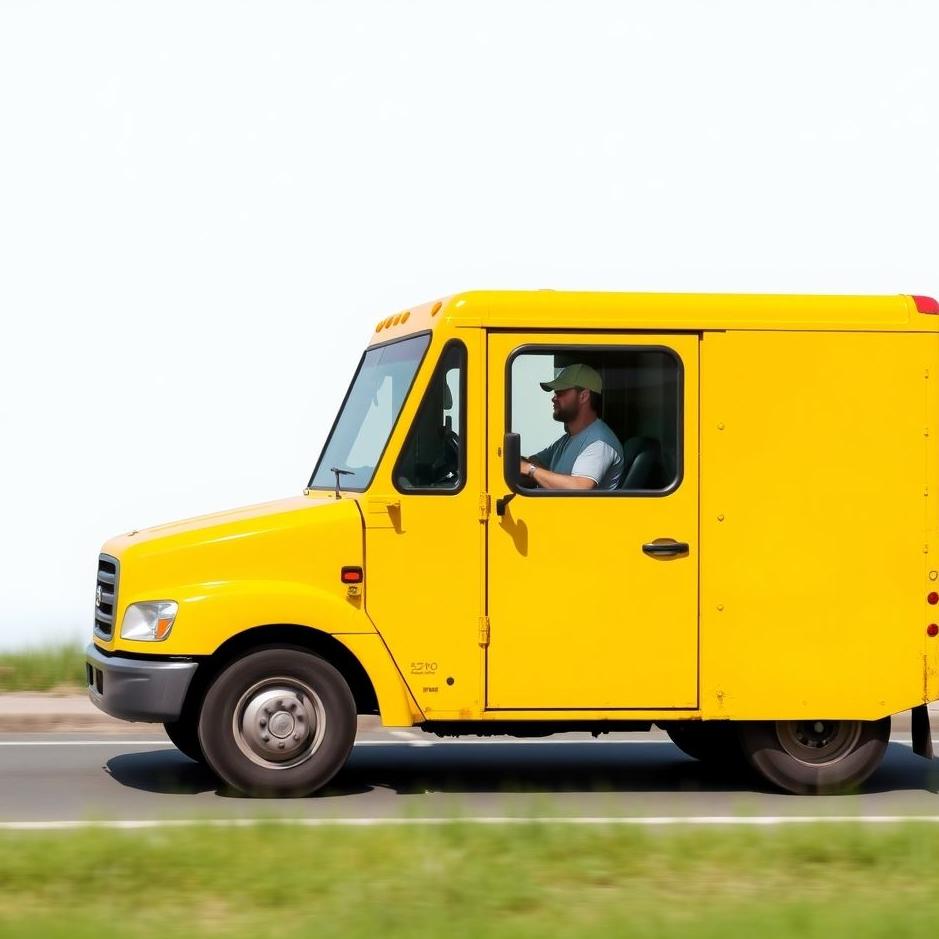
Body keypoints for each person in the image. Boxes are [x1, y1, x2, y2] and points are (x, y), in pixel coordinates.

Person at [520, 363, 624, 490]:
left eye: (560, 392)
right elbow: (537, 461)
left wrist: (529, 469)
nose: (554, 398)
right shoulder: (568, 438)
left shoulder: (599, 442)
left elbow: (579, 488)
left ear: (583, 396)